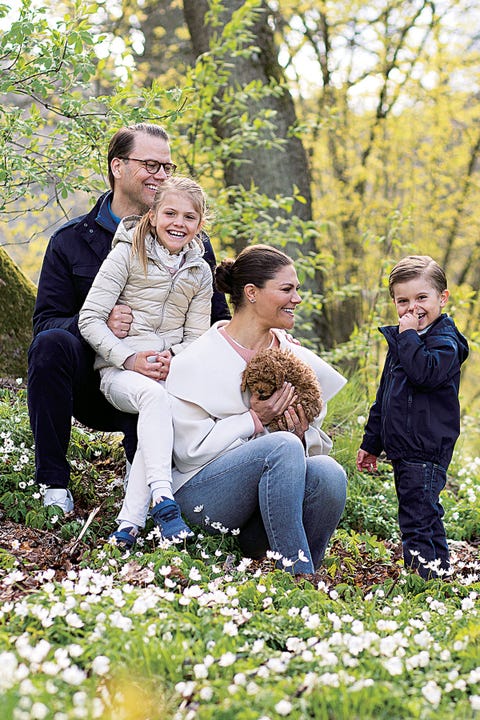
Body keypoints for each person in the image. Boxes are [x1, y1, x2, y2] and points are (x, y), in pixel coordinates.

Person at [27, 123, 230, 514]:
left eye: (167, 167)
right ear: (117, 166)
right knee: (51, 344)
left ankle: (152, 477)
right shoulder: (70, 241)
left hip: (164, 376)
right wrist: (106, 325)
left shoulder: (192, 246)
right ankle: (53, 483)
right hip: (95, 379)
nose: (160, 175)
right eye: (150, 164)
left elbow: (214, 320)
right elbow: (46, 323)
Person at [165, 244, 348, 575]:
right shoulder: (197, 359)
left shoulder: (293, 356)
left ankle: (302, 579)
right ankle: (299, 576)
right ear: (251, 293)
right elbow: (188, 453)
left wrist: (301, 434)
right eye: (287, 289)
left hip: (261, 514)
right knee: (282, 446)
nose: (297, 299)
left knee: (329, 473)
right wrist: (253, 420)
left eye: (297, 290)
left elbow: (304, 447)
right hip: (203, 501)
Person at [79, 176, 212, 545]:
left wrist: (176, 357)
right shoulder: (126, 253)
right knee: (155, 399)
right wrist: (130, 358)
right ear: (152, 215)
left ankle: (127, 526)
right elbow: (89, 319)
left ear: (200, 225)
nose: (178, 223)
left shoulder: (200, 272)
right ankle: (164, 500)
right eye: (170, 213)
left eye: (189, 217)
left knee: (163, 407)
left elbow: (197, 337)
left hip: (167, 375)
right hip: (120, 374)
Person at [356, 256, 469, 580]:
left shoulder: (445, 342)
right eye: (402, 300)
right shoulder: (403, 341)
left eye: (422, 298)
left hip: (427, 446)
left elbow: (425, 374)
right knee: (423, 514)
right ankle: (437, 576)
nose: (412, 307)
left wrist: (407, 337)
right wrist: (371, 443)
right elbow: (385, 395)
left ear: (442, 298)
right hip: (405, 447)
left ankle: (424, 581)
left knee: (417, 518)